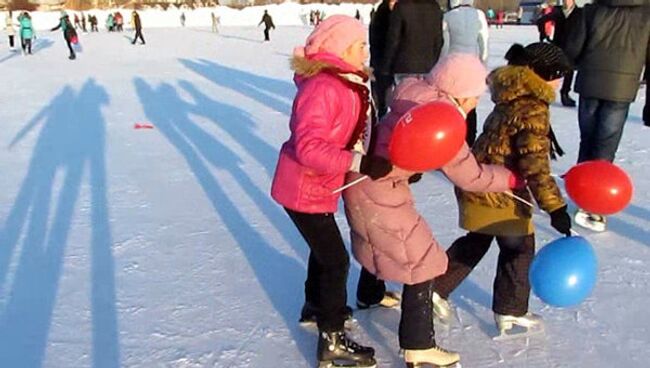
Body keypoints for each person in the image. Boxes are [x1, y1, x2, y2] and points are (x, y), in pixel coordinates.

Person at [344, 53, 519, 368]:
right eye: (475, 98)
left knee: (377, 239)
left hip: (360, 181)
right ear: (461, 94)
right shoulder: (441, 118)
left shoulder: (414, 94)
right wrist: (513, 178)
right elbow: (471, 176)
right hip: (381, 190)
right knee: (424, 261)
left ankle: (369, 294)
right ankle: (418, 346)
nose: (476, 105)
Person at [270, 15, 390, 368]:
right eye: (360, 46)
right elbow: (308, 147)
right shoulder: (324, 87)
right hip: (303, 186)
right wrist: (359, 163)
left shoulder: (345, 81)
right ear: (340, 49)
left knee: (323, 252)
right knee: (335, 259)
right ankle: (332, 340)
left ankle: (315, 306)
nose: (366, 51)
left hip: (316, 186)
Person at [431, 43, 574, 338]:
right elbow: (534, 163)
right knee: (520, 247)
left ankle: (435, 287)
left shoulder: (512, 95)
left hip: (484, 182)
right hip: (499, 191)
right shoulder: (533, 107)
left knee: (479, 240)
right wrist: (555, 207)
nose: (560, 82)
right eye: (557, 75)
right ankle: (510, 310)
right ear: (542, 75)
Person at [564, 0, 650, 231]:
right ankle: (594, 205)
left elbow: (572, 49)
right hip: (622, 87)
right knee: (606, 146)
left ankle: (582, 193)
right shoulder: (647, 13)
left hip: (590, 82)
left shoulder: (592, 11)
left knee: (588, 140)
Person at [441, 0, 489, 145]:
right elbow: (484, 43)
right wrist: (483, 66)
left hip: (453, 66)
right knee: (470, 106)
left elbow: (445, 46)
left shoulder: (448, 16)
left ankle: (452, 141)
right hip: (473, 65)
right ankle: (469, 140)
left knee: (452, 106)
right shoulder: (479, 15)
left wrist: (442, 67)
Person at [378, 0, 445, 83]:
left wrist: (386, 66)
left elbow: (393, 39)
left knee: (404, 94)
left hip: (404, 65)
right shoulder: (435, 7)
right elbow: (439, 40)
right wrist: (434, 61)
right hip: (428, 66)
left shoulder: (401, 7)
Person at [535, 0, 582, 107]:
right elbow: (541, 21)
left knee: (569, 71)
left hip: (572, 46)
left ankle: (565, 93)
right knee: (552, 70)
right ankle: (544, 91)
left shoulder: (579, 13)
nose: (566, 1)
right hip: (558, 45)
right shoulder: (558, 11)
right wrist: (544, 34)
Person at [369, 0, 398, 119]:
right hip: (385, 60)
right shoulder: (388, 15)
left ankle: (380, 114)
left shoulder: (379, 14)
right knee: (384, 95)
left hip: (378, 60)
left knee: (380, 95)